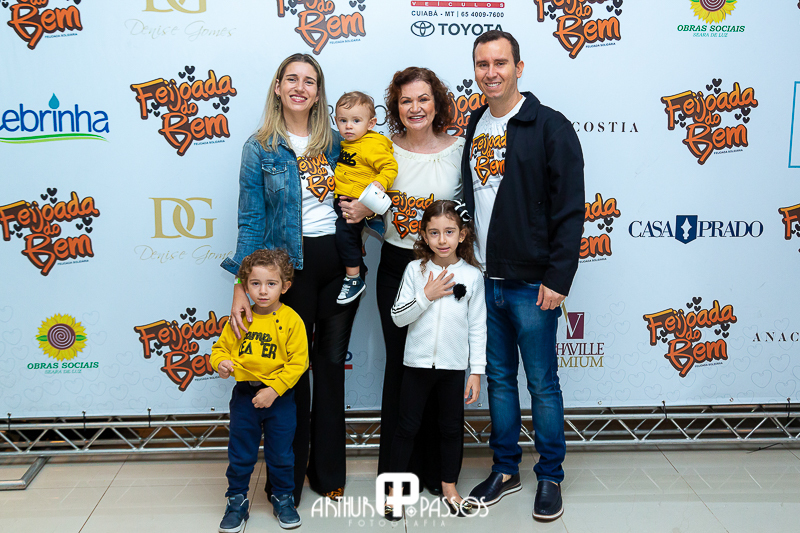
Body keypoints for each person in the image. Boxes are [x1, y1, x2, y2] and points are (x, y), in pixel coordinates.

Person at [221, 53, 361, 506]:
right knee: (294, 373)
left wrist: (369, 207)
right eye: (292, 79)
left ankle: (328, 473)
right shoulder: (259, 147)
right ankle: (288, 481)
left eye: (310, 81)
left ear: (319, 93)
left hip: (339, 267)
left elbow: (369, 193)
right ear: (278, 87)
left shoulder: (340, 142)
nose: (301, 87)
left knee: (330, 369)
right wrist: (241, 286)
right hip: (288, 271)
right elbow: (250, 220)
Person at [462, 30, 585, 521]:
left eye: (500, 63)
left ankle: (550, 474)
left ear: (519, 67)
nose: (491, 72)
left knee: (542, 384)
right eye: (482, 64)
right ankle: (506, 469)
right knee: (499, 380)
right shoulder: (475, 123)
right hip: (484, 279)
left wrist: (559, 277)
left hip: (532, 283)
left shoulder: (550, 125)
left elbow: (570, 209)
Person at [339, 67, 465, 493]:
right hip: (396, 266)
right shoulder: (380, 147)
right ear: (394, 107)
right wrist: (362, 210)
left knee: (439, 365)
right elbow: (360, 201)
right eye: (406, 100)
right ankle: (396, 472)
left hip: (443, 270)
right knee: (402, 365)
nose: (415, 108)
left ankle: (436, 471)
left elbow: (470, 213)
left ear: (437, 103)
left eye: (423, 99)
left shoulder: (459, 150)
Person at [384, 200, 486, 520]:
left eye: (449, 232)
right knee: (406, 427)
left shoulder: (472, 276)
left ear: (462, 235)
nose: (442, 240)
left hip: (453, 368)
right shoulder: (415, 271)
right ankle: (395, 492)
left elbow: (477, 326)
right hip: (416, 366)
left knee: (451, 429)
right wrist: (425, 296)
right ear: (425, 236)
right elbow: (398, 317)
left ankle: (449, 486)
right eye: (434, 233)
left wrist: (476, 371)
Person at [211, 249, 308, 531]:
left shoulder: (291, 320)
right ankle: (236, 501)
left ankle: (283, 499)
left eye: (271, 284)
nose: (263, 291)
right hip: (244, 397)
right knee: (240, 453)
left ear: (285, 286)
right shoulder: (240, 317)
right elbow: (220, 349)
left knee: (281, 455)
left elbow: (299, 362)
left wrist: (274, 390)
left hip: (279, 399)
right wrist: (221, 363)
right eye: (255, 283)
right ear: (245, 285)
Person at [332, 91, 398, 304]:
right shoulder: (347, 143)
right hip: (343, 199)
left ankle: (354, 278)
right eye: (343, 121)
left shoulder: (372, 144)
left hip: (355, 203)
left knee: (344, 236)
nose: (348, 126)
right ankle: (357, 260)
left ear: (371, 123)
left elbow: (389, 166)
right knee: (345, 240)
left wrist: (381, 183)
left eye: (356, 121)